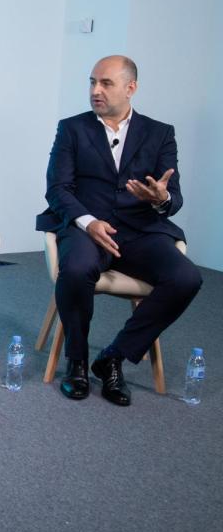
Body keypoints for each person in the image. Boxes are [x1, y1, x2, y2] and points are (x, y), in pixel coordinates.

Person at [36, 55, 201, 406]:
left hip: (140, 231)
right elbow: (57, 188)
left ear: (131, 88)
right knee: (77, 269)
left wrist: (160, 198)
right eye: (92, 82)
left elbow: (175, 197)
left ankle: (113, 357)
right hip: (87, 227)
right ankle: (77, 362)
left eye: (105, 83)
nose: (95, 90)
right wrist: (88, 222)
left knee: (187, 278)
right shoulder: (72, 128)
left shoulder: (160, 134)